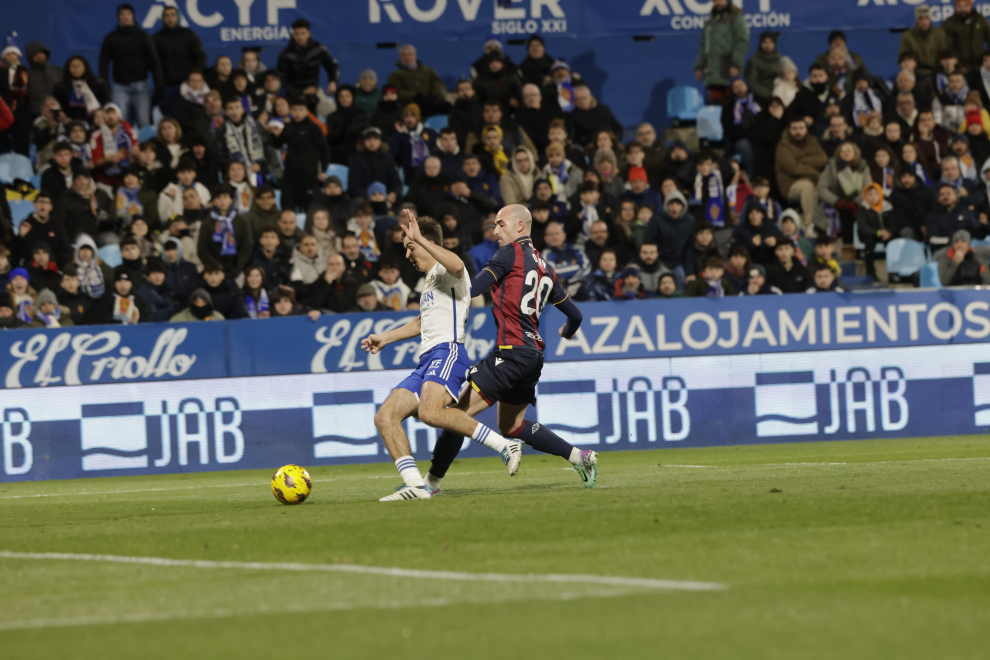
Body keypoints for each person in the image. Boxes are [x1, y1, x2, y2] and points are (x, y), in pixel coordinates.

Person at [398, 206, 592, 496]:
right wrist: (568, 331)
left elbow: (471, 288)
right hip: (533, 355)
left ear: (521, 227)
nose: (495, 231)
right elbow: (575, 314)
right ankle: (580, 457)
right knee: (511, 425)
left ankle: (431, 484)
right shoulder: (546, 268)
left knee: (455, 415)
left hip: (511, 352)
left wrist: (445, 290)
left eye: (501, 225)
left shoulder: (509, 254)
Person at [98, 3, 163, 129]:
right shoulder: (111, 38)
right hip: (120, 87)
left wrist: (159, 87)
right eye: (122, 14)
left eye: (128, 14)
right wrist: (105, 88)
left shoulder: (143, 36)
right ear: (118, 17)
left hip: (141, 87)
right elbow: (103, 63)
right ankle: (120, 149)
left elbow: (155, 62)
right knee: (119, 122)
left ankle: (146, 148)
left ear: (132, 15)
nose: (125, 17)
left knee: (144, 123)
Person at [269, 98, 330, 211]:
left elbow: (324, 150)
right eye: (295, 110)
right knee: (286, 209)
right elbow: (277, 144)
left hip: (309, 176)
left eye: (301, 109)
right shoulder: (288, 126)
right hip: (290, 176)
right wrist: (273, 134)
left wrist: (323, 170)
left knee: (310, 210)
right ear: (291, 111)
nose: (297, 113)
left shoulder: (314, 128)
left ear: (306, 111)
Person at [776, 116, 829, 234]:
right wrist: (814, 172)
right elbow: (794, 169)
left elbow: (822, 158)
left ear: (806, 129)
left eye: (801, 128)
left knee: (823, 186)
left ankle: (824, 225)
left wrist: (803, 161)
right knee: (807, 186)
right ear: (789, 130)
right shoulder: (783, 146)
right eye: (794, 128)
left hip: (812, 180)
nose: (798, 131)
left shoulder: (812, 140)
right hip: (789, 186)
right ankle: (809, 225)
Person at [153, 5, 206, 116]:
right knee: (170, 116)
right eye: (166, 15)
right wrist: (159, 82)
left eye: (173, 15)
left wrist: (195, 77)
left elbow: (201, 57)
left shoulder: (189, 34)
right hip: (167, 86)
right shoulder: (156, 38)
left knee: (190, 115)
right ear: (163, 18)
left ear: (178, 17)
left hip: (188, 85)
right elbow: (153, 62)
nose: (170, 18)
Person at [694, 0, 750, 104]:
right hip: (712, 74)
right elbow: (703, 46)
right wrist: (699, 66)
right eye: (715, 0)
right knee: (714, 111)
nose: (717, 2)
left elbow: (742, 42)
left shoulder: (736, 19)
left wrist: (735, 64)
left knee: (731, 109)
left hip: (728, 71)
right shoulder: (709, 22)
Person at [197, 184, 252, 280]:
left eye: (225, 197)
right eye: (218, 197)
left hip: (237, 270)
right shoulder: (207, 223)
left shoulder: (241, 221)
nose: (222, 201)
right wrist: (215, 268)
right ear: (213, 201)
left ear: (231, 200)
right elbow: (202, 249)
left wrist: (237, 269)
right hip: (213, 272)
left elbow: (247, 246)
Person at [277, 18, 339, 99]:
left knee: (331, 110)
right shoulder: (286, 54)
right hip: (293, 95)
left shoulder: (318, 49)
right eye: (297, 34)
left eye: (303, 33)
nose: (300, 37)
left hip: (315, 91)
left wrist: (333, 82)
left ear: (309, 34)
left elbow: (333, 66)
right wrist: (300, 92)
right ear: (293, 35)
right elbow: (281, 78)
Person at [384, 44, 449, 117]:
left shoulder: (428, 70)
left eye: (409, 55)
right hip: (408, 106)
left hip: (431, 103)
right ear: (400, 58)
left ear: (415, 56)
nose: (407, 58)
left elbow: (438, 83)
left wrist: (437, 95)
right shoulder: (395, 75)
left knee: (446, 106)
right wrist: (414, 96)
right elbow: (395, 92)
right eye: (403, 55)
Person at [14, 193, 72, 268]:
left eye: (46, 202)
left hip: (54, 270)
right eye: (40, 202)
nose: (42, 205)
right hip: (31, 270)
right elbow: (17, 251)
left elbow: (66, 250)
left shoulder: (57, 226)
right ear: (34, 205)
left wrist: (58, 266)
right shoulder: (26, 225)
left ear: (51, 207)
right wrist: (20, 236)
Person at [720, 78, 759, 177]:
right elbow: (729, 131)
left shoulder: (757, 104)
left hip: (757, 138)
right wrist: (748, 134)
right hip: (737, 141)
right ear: (732, 90)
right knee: (744, 145)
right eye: (735, 87)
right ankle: (752, 177)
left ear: (747, 87)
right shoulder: (728, 108)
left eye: (741, 85)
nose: (739, 89)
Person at [53, 55, 110, 123]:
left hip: (94, 121)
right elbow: (55, 104)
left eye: (79, 66)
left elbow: (107, 101)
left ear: (85, 67)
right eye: (73, 66)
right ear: (68, 68)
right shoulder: (61, 87)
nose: (76, 69)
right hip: (69, 121)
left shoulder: (96, 83)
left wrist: (101, 113)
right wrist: (60, 114)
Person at [927, 183, 984, 251]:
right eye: (942, 194)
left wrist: (984, 225)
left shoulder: (964, 211)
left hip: (967, 249)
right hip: (944, 250)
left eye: (948, 193)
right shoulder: (933, 216)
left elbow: (977, 232)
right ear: (938, 198)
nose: (945, 196)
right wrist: (955, 242)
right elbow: (933, 239)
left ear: (955, 196)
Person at [540, 221, 590, 297]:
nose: (554, 237)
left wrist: (569, 282)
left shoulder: (576, 249)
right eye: (551, 234)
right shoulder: (545, 254)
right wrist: (576, 267)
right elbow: (551, 272)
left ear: (564, 235)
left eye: (557, 233)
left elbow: (587, 268)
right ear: (545, 238)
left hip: (580, 293)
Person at [567, 84, 622, 148]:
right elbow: (574, 137)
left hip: (609, 145)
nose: (582, 101)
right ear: (575, 101)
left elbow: (617, 127)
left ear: (590, 97)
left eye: (584, 98)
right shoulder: (573, 116)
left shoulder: (603, 109)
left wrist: (615, 140)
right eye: (579, 99)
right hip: (588, 148)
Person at [326, 85, 370, 165]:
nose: (344, 99)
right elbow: (330, 139)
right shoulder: (332, 117)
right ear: (337, 99)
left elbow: (366, 135)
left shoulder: (362, 114)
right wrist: (343, 129)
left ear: (352, 97)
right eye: (341, 96)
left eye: (347, 96)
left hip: (359, 155)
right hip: (338, 157)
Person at [943, 0, 990, 72]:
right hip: (960, 67)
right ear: (955, 7)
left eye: (965, 6)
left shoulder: (980, 20)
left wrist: (987, 61)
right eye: (959, 6)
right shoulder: (949, 23)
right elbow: (948, 47)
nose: (962, 9)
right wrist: (958, 65)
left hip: (981, 65)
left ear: (970, 6)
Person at [25, 42, 62, 117]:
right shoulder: (26, 75)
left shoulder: (59, 72)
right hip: (37, 115)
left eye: (41, 53)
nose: (39, 56)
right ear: (30, 58)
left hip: (61, 113)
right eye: (35, 54)